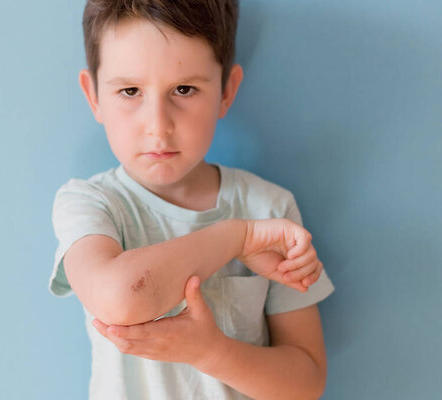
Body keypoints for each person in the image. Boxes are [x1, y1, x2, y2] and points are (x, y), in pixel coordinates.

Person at [49, 1, 335, 398]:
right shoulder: (91, 203)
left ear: (225, 92)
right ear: (94, 95)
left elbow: (306, 382)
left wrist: (212, 352)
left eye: (184, 89)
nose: (158, 126)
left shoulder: (270, 209)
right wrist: (239, 239)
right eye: (130, 91)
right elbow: (118, 298)